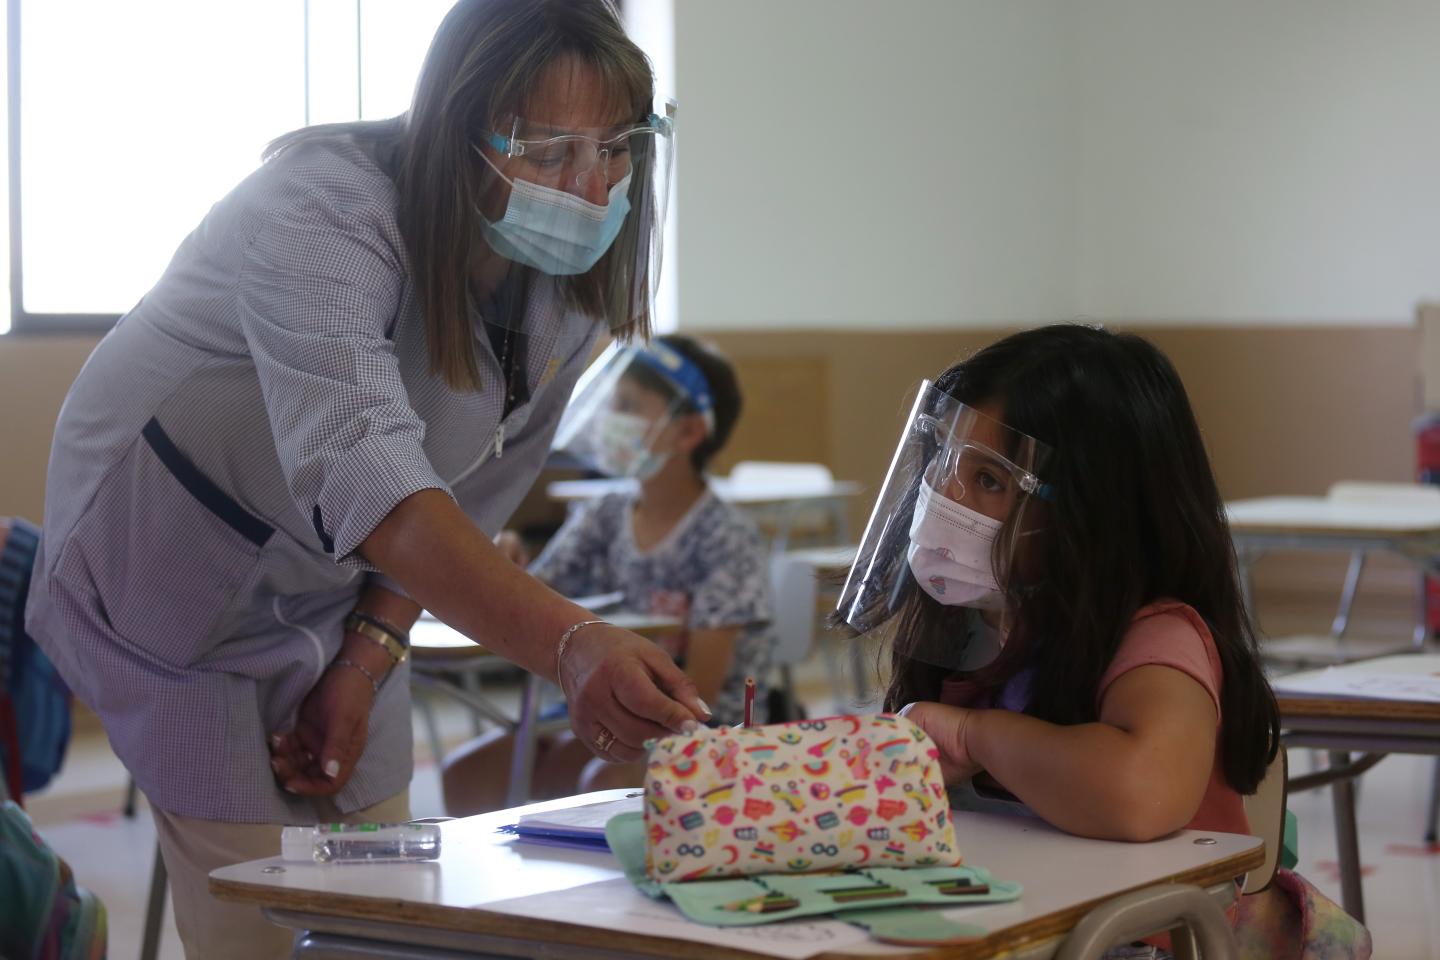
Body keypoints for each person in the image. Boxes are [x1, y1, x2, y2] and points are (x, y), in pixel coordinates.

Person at [23, 2, 704, 955]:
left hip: (336, 591)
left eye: (617, 149)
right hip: (162, 577)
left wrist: (369, 650)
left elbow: (475, 486)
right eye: (549, 151)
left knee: (389, 905)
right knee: (266, 913)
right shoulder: (321, 209)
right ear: (459, 129)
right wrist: (572, 644)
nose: (590, 189)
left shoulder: (564, 283)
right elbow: (365, 467)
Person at [836, 325, 1371, 957]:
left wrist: (971, 736)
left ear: (1095, 510)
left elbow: (1140, 793)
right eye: (946, 465)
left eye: (989, 482)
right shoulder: (983, 630)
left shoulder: (1158, 638)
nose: (946, 499)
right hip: (1033, 924)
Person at [444, 335, 775, 815]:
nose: (610, 421)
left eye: (629, 407)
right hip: (608, 708)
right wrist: (508, 564)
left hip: (707, 731)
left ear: (688, 433)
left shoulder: (726, 536)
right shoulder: (606, 513)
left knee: (599, 780)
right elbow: (534, 594)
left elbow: (697, 690)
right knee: (466, 773)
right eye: (612, 403)